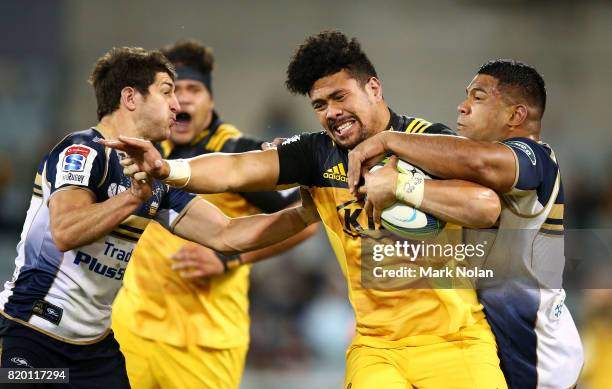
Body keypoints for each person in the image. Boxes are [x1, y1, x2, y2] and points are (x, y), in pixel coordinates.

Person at [102, 32, 508, 388]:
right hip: (376, 345)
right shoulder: (317, 154)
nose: (331, 112)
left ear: (374, 88)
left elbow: (485, 207)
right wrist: (165, 168)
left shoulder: (427, 141)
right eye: (320, 104)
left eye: (340, 96)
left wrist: (404, 185)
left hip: (456, 341)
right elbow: (237, 169)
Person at [0, 47, 318, 388]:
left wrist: (307, 213)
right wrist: (134, 198)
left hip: (94, 351)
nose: (176, 105)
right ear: (130, 97)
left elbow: (226, 234)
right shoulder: (81, 151)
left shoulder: (154, 179)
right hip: (33, 334)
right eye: (167, 91)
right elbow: (65, 231)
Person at [346, 59, 583, 388]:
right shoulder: (463, 168)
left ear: (515, 116)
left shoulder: (537, 158)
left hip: (539, 359)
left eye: (478, 97)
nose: (462, 106)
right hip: (485, 349)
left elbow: (481, 163)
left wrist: (388, 142)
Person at [111, 40, 317, 389]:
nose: (184, 98)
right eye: (173, 90)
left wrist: (229, 258)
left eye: (194, 89)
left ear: (210, 99)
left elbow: (308, 220)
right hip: (131, 332)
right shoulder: (145, 150)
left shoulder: (237, 155)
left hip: (205, 343)